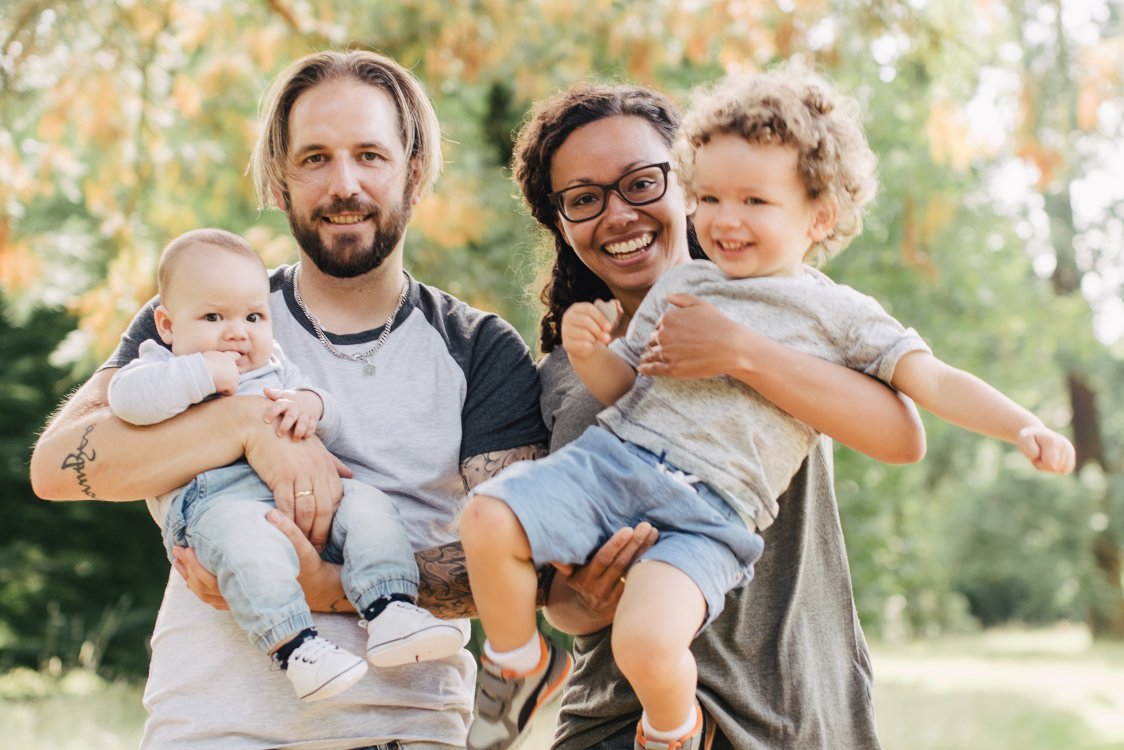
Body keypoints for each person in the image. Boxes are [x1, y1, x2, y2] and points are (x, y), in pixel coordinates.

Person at [463, 72, 1074, 750]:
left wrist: (740, 353)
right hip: (616, 716)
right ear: (560, 219)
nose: (618, 214)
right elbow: (559, 602)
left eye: (642, 182)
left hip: (788, 713)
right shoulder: (557, 375)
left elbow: (905, 431)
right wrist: (587, 598)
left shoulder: (805, 309)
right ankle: (535, 678)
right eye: (584, 198)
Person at [30, 50, 552, 749]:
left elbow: (524, 565)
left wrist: (328, 586)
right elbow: (57, 467)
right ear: (278, 180)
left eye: (370, 155)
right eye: (314, 159)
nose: (345, 184)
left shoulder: (478, 349)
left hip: (405, 730)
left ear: (416, 172)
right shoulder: (212, 319)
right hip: (214, 730)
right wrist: (247, 424)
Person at [107, 228, 465, 702]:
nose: (237, 332)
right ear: (168, 326)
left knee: (371, 509)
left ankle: (390, 606)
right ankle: (295, 648)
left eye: (253, 316)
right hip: (215, 502)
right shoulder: (157, 362)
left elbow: (330, 419)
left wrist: (311, 405)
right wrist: (200, 375)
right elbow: (126, 401)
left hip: (309, 491)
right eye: (213, 317)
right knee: (253, 549)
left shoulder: (272, 364)